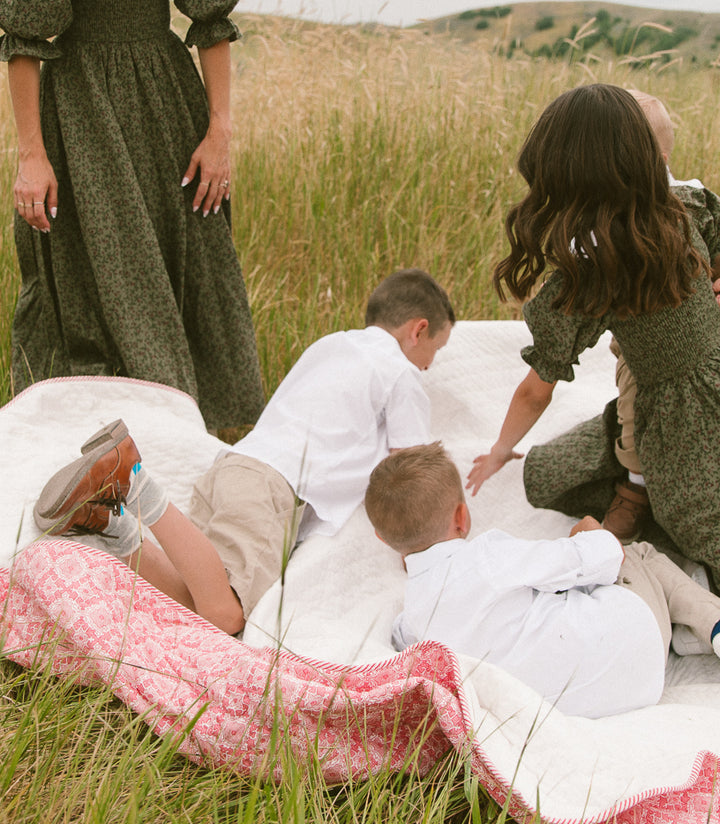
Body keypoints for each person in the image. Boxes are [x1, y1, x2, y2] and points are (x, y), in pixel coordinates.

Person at [0, 0, 264, 431]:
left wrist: (219, 132)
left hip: (170, 109)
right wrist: (30, 154)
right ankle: (98, 457)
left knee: (192, 276)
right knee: (94, 284)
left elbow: (211, 19)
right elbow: (25, 35)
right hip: (82, 111)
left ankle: (189, 445)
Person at [34, 269, 455, 634]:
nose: (426, 367)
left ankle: (109, 523)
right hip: (272, 488)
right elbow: (409, 476)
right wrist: (427, 548)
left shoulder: (331, 346)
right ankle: (132, 479)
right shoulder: (400, 374)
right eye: (431, 355)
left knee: (197, 596)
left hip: (236, 466)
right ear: (417, 330)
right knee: (227, 615)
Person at [466, 83, 720, 589]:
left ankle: (646, 496)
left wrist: (498, 449)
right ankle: (637, 490)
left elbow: (536, 389)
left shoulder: (594, 270)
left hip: (688, 424)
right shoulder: (683, 206)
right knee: (549, 471)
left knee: (699, 526)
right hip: (673, 399)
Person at [365, 442, 720, 719]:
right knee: (639, 554)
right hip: (635, 639)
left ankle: (686, 635)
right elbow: (606, 557)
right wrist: (589, 531)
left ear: (383, 539)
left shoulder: (414, 620)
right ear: (461, 516)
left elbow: (402, 635)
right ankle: (712, 623)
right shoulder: (489, 556)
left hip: (613, 696)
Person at [603, 91, 720, 542]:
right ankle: (636, 490)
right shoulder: (606, 216)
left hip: (703, 339)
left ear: (659, 160)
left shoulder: (693, 201)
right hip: (640, 350)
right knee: (633, 416)